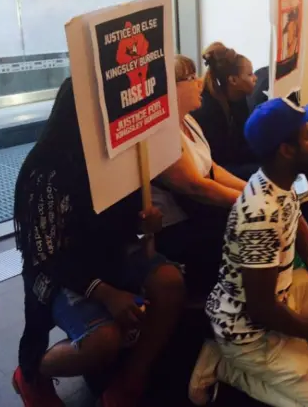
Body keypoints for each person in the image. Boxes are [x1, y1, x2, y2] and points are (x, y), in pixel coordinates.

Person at [189, 98, 308, 407]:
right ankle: (224, 364)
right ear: (285, 150)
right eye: (307, 136)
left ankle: (289, 344)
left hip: (280, 300)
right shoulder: (260, 213)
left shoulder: (283, 186)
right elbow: (261, 310)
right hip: (249, 332)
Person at [12, 78, 185, 407]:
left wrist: (145, 222)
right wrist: (104, 292)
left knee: (169, 284)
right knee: (103, 339)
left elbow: (122, 221)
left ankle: (131, 378)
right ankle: (33, 371)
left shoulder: (118, 156)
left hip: (110, 254)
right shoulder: (45, 170)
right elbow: (46, 255)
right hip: (60, 272)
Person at [152, 56, 246, 296]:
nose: (201, 83)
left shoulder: (188, 121)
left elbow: (211, 168)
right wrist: (250, 201)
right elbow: (195, 186)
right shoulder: (159, 133)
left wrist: (251, 188)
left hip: (201, 213)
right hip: (176, 227)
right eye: (191, 78)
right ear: (170, 88)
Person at [192, 42, 259, 180]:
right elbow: (218, 162)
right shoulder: (208, 110)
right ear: (233, 80)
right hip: (216, 170)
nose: (255, 78)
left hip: (232, 160)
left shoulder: (239, 98)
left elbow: (242, 142)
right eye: (250, 74)